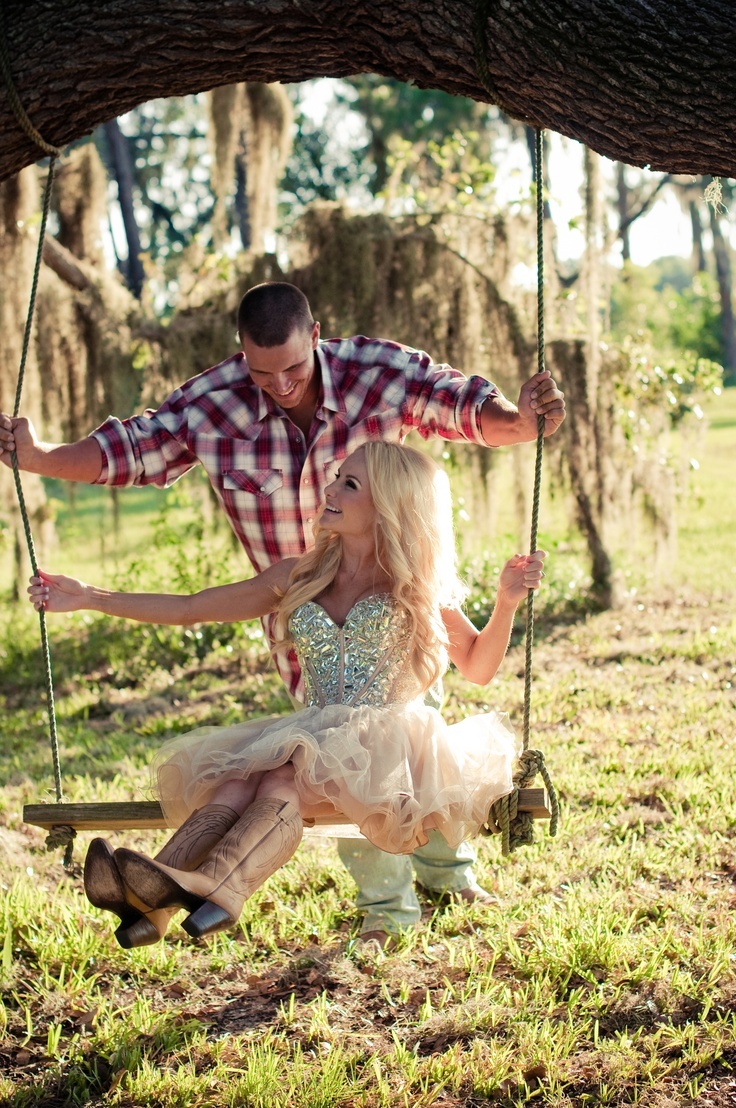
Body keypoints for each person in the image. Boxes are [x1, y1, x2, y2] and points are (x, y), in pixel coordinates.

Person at [3, 280, 565, 945]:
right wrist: (81, 573)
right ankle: (162, 885)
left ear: (316, 335)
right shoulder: (289, 557)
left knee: (338, 775)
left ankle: (415, 884)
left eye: (294, 368)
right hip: (306, 664)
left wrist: (525, 424)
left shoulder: (411, 573)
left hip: (394, 706)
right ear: (240, 354)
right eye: (261, 371)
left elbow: (464, 407)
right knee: (268, 770)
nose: (281, 385)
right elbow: (186, 588)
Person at [29, 442, 546, 948]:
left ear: (389, 504)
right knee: (238, 778)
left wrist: (506, 604)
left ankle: (216, 889)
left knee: (283, 773)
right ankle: (156, 898)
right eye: (337, 476)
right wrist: (91, 598)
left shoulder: (414, 587)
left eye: (351, 483)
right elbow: (191, 607)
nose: (331, 489)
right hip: (317, 731)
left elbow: (478, 667)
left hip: (390, 749)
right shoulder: (300, 575)